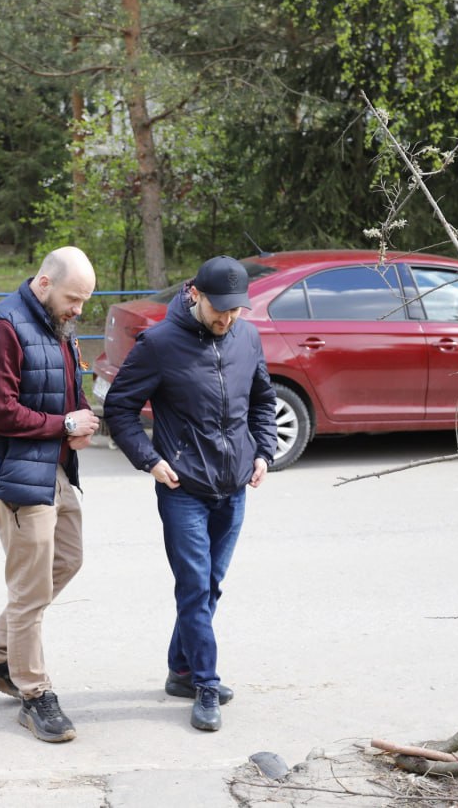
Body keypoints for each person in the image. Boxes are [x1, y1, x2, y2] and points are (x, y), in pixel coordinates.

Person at [103, 255, 276, 733]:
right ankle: (204, 683)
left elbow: (262, 399)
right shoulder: (159, 344)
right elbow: (118, 409)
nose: (227, 319)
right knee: (195, 588)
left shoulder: (248, 336)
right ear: (195, 295)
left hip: (235, 486)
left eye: (235, 311)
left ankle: (180, 670)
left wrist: (265, 451)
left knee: (210, 586)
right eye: (220, 310)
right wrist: (151, 460)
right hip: (183, 489)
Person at [0, 246, 99, 743]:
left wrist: (80, 417)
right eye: (73, 298)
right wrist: (63, 424)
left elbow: (68, 385)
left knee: (68, 558)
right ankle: (33, 693)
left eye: (84, 301)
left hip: (54, 467)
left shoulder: (56, 323)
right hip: (15, 477)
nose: (79, 309)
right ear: (44, 283)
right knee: (31, 591)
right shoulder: (4, 327)